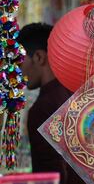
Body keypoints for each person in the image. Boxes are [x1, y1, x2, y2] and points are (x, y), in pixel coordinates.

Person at [17, 23, 84, 184]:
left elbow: (51, 176)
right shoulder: (78, 93)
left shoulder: (42, 108)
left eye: (20, 61)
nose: (18, 71)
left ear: (39, 57)